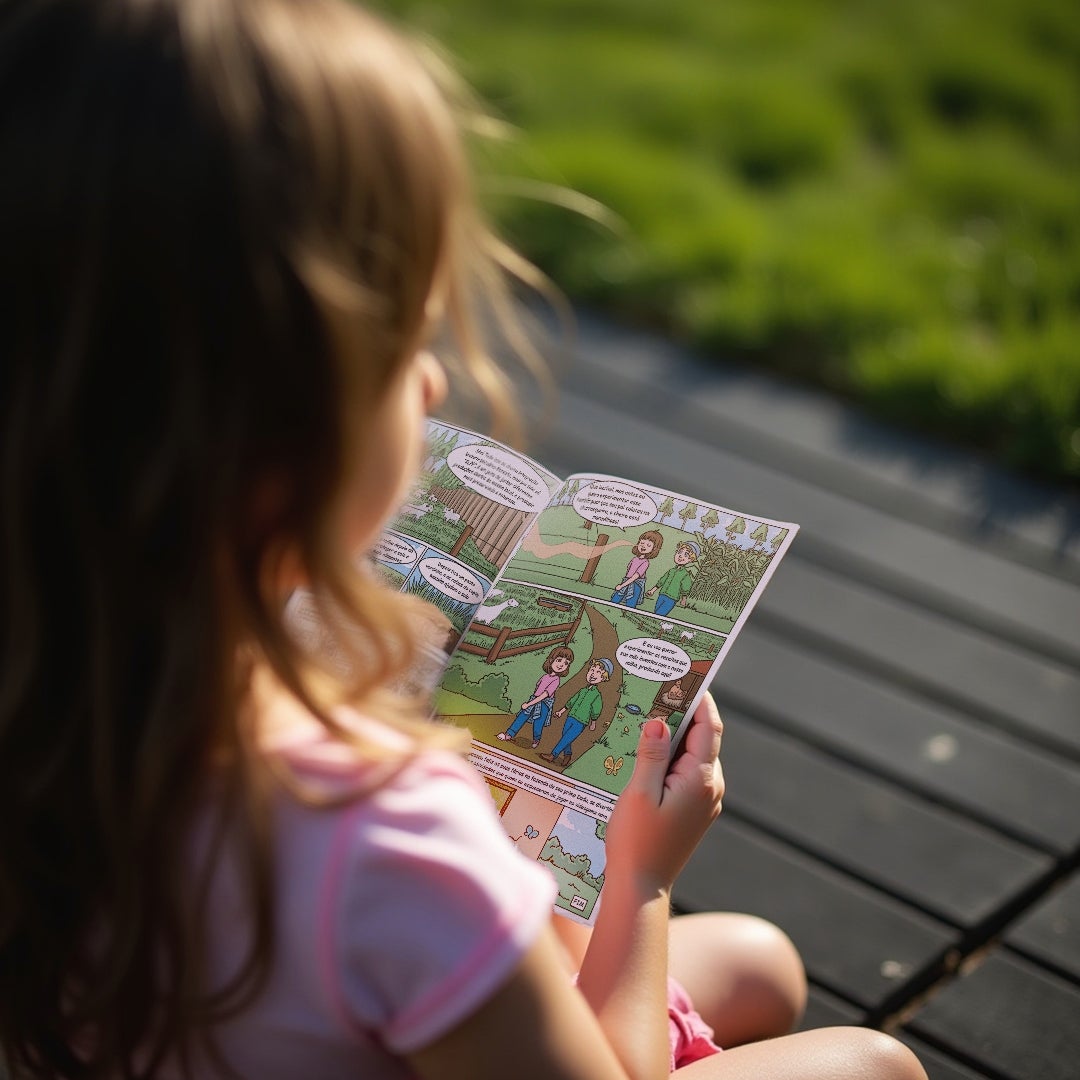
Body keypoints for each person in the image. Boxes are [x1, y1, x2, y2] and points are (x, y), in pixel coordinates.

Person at [0, 2, 928, 1078]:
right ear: (285, 446)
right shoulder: (387, 837)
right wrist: (638, 880)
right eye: (403, 346)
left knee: (759, 963)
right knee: (873, 1063)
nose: (437, 381)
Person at [497, 646, 575, 748]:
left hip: (544, 704)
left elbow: (544, 695)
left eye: (566, 663)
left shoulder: (556, 680)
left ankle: (536, 739)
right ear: (551, 660)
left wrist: (529, 703)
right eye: (559, 660)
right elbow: (537, 690)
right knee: (523, 716)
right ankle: (509, 734)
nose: (561, 665)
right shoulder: (545, 676)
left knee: (538, 723)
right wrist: (531, 701)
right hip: (534, 699)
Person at [541, 657, 613, 765]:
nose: (593, 674)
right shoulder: (583, 690)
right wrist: (561, 711)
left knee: (567, 738)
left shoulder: (596, 695)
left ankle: (553, 755)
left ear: (603, 678)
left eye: (598, 672)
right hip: (571, 716)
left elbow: (596, 710)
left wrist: (593, 722)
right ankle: (568, 754)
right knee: (565, 734)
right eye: (592, 670)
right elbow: (572, 701)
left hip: (581, 721)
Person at [611, 530, 664, 608]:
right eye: (642, 543)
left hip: (636, 584)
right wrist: (623, 584)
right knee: (616, 598)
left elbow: (635, 576)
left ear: (654, 549)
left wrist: (622, 585)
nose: (643, 546)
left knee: (630, 603)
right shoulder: (634, 559)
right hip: (627, 580)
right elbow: (628, 573)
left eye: (648, 545)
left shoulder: (645, 562)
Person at [647, 541, 700, 616]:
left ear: (690, 560)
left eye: (686, 555)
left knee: (660, 614)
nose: (681, 556)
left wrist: (683, 599)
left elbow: (685, 588)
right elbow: (661, 581)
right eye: (680, 552)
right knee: (656, 611)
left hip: (672, 598)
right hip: (662, 594)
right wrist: (652, 590)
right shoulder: (671, 571)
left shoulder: (685, 575)